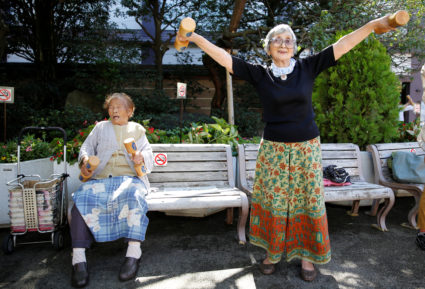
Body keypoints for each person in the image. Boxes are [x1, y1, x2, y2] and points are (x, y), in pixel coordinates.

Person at [178, 15, 395, 281]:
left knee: (308, 201)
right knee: (273, 202)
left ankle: (307, 257)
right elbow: (224, 59)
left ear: (294, 46)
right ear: (268, 47)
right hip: (273, 150)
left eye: (288, 40)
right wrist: (196, 38)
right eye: (277, 40)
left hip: (307, 148)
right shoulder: (260, 74)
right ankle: (272, 253)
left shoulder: (308, 67)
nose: (283, 44)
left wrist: (373, 26)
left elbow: (344, 43)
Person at [70, 92, 153, 287]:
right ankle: (78, 259)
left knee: (135, 195)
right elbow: (86, 148)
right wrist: (85, 160)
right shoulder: (100, 128)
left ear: (130, 111)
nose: (114, 110)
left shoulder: (137, 129)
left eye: (119, 107)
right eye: (111, 107)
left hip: (129, 178)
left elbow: (148, 154)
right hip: (101, 179)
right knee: (81, 198)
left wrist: (141, 157)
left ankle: (133, 254)